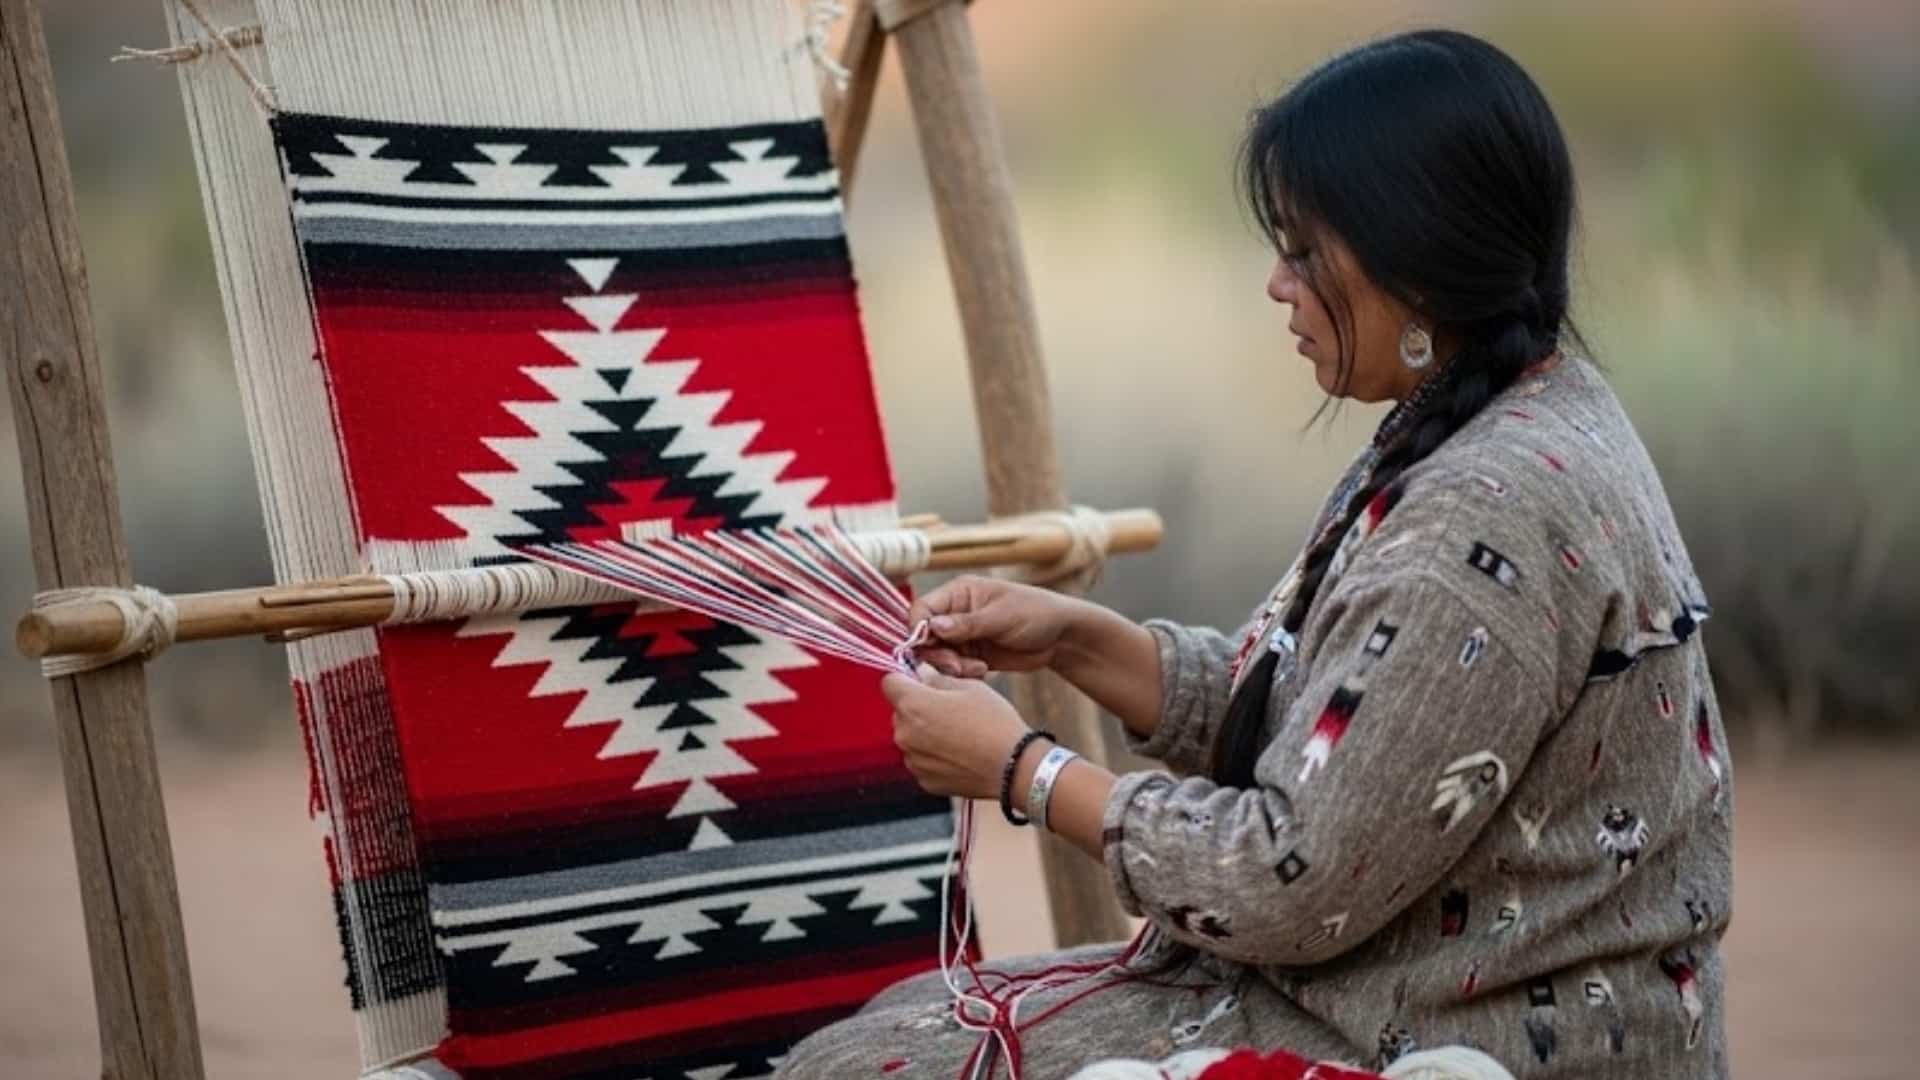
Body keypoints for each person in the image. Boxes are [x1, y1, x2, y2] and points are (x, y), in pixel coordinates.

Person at [776, 28, 1730, 1080]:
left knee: (868, 1068)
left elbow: (1288, 874)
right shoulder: (1509, 412)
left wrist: (1024, 771)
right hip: (1409, 984)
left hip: (1465, 1034)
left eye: (1306, 250)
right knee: (891, 1034)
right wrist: (1078, 641)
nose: (1279, 284)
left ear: (1414, 257)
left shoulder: (1483, 514)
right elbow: (1334, 727)